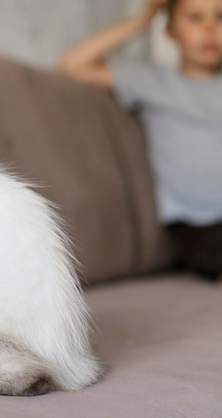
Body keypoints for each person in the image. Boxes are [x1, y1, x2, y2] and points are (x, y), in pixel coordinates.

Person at [59, 0, 222, 280]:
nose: (209, 28)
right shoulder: (152, 81)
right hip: (198, 222)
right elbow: (72, 65)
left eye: (220, 17)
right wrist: (142, 21)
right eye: (195, 18)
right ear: (170, 31)